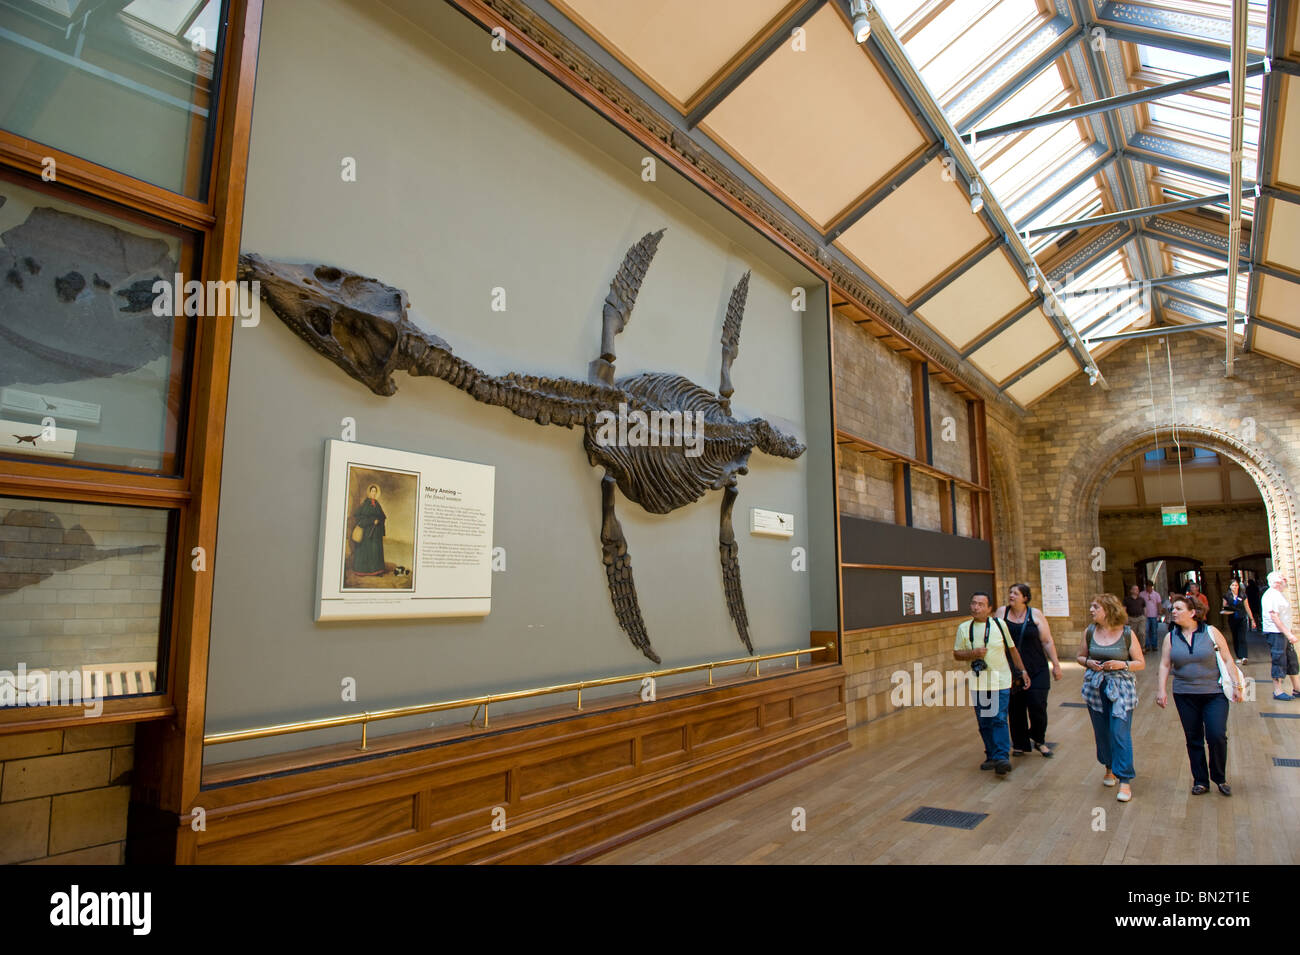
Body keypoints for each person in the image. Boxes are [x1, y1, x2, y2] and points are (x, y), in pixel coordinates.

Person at [1156, 596, 1243, 796]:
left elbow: (1228, 659)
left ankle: (1219, 777)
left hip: (1214, 693)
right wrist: (1161, 689)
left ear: (1193, 612)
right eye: (1173, 608)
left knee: (1216, 735)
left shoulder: (1211, 632)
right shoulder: (1170, 637)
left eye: (1178, 608)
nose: (1173, 612)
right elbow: (1165, 664)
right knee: (1193, 737)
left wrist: (1236, 683)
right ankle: (1201, 780)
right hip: (1184, 694)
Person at [1077, 594, 1145, 802]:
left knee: (1119, 731)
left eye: (1095, 607)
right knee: (1102, 731)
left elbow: (1140, 663)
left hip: (1121, 687)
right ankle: (1109, 767)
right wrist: (1088, 663)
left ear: (1108, 609)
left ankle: (1125, 779)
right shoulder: (1089, 631)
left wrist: (1121, 664)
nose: (1091, 610)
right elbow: (1080, 656)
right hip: (1095, 687)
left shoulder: (1126, 633)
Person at [953, 592, 1030, 776]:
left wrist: (1023, 671)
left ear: (989, 609)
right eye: (973, 603)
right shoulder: (964, 628)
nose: (976, 607)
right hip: (979, 683)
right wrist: (974, 653)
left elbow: (1012, 649)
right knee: (984, 721)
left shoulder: (999, 625)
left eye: (981, 604)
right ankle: (991, 754)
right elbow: (957, 654)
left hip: (1001, 680)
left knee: (999, 718)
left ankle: (1002, 756)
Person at [995, 583, 1062, 758]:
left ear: (1025, 597)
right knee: (1016, 708)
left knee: (1037, 705)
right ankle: (1019, 743)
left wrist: (1056, 664)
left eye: (1016, 593)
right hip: (1012, 670)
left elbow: (1047, 641)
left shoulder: (1035, 614)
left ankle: (1039, 739)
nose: (1011, 595)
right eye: (1010, 592)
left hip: (1037, 667)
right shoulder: (1002, 613)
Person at [1261, 570, 1300, 701]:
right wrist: (1288, 634)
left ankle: (1297, 688)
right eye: (1283, 579)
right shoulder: (1272, 595)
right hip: (1276, 633)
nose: (1286, 581)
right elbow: (1275, 618)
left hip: (1282, 632)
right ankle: (1278, 691)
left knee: (1291, 659)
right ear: (1277, 582)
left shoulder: (1278, 594)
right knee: (1279, 659)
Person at [350, 483, 387, 576]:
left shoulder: (377, 504)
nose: (374, 493)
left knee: (376, 551)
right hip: (367, 533)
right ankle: (364, 571)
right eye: (372, 491)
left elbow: (383, 516)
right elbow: (359, 516)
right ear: (369, 492)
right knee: (367, 550)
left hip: (376, 533)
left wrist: (379, 520)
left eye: (375, 491)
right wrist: (371, 521)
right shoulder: (365, 504)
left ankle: (376, 571)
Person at [1219, 578, 1256, 664]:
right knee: (1235, 637)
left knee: (1242, 637)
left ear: (1238, 586)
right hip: (1232, 619)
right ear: (1230, 586)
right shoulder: (1227, 596)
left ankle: (1244, 656)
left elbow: (1247, 607)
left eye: (1236, 585)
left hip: (1242, 618)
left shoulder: (1243, 595)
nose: (1234, 587)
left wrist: (1252, 619)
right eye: (1233, 585)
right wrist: (1226, 611)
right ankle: (1239, 656)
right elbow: (1224, 607)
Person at [1141, 581, 1162, 651]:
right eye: (1147, 586)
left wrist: (1159, 613)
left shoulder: (1156, 594)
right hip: (1145, 616)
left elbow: (1159, 604)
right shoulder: (1142, 594)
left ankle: (1154, 645)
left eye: (1150, 586)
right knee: (1146, 631)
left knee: (1154, 631)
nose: (1148, 588)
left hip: (1154, 615)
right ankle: (1147, 645)